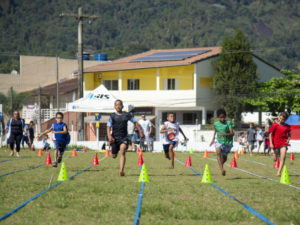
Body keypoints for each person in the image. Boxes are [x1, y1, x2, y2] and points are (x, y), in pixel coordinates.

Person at [107, 100, 144, 176]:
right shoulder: (112, 116)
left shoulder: (127, 115)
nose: (118, 106)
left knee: (122, 151)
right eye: (116, 105)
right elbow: (108, 126)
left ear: (122, 106)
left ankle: (121, 170)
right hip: (114, 138)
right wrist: (109, 136)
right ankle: (115, 151)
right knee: (114, 156)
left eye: (119, 105)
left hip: (124, 137)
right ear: (114, 107)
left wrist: (140, 131)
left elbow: (135, 122)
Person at [209, 109, 234, 176]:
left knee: (224, 158)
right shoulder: (216, 124)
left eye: (223, 117)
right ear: (218, 117)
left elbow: (232, 133)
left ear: (225, 116)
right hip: (219, 141)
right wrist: (213, 139)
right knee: (218, 152)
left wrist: (224, 134)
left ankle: (221, 164)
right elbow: (215, 131)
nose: (222, 119)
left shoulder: (228, 123)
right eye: (220, 117)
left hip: (227, 142)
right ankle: (222, 169)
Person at [269, 112, 291, 177]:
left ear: (285, 119)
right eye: (280, 118)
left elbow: (289, 135)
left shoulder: (287, 126)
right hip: (275, 143)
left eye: (283, 119)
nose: (281, 120)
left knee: (283, 157)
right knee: (275, 159)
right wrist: (271, 143)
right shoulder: (274, 125)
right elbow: (270, 134)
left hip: (283, 143)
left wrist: (288, 140)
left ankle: (279, 171)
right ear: (279, 117)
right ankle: (274, 153)